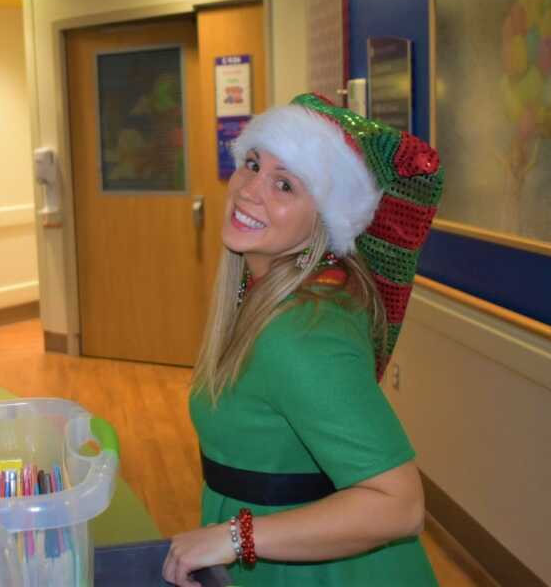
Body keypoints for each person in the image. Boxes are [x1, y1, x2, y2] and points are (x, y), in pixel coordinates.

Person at [163, 93, 444, 586]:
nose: (250, 189)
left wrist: (233, 538)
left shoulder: (301, 333)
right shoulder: (266, 293)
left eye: (285, 184)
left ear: (325, 220)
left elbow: (400, 505)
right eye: (253, 163)